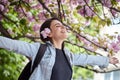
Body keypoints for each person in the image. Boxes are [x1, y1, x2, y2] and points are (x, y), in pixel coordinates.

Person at [0, 17, 119, 80]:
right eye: (58, 26)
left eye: (63, 26)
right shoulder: (39, 50)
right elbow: (12, 45)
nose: (63, 28)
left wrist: (107, 61)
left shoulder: (69, 56)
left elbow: (87, 59)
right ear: (49, 33)